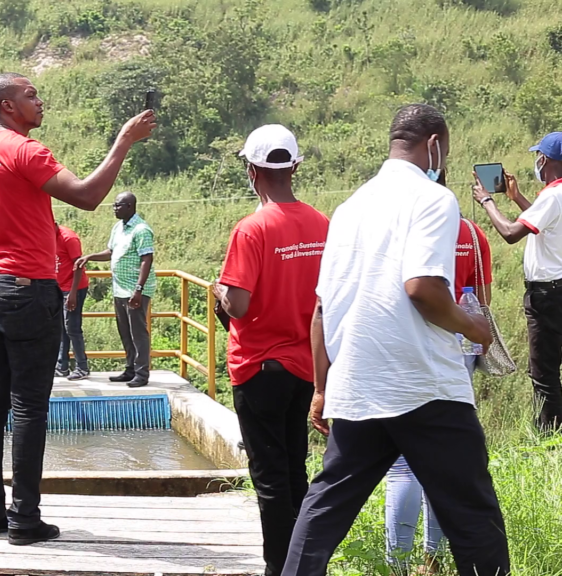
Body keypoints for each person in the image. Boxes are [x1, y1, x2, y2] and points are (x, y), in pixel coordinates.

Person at [282, 104, 508, 576]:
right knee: (473, 519)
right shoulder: (433, 199)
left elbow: (323, 308)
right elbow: (423, 288)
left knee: (323, 510)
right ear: (433, 145)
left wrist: (322, 389)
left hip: (356, 385)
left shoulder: (349, 208)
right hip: (423, 386)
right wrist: (476, 329)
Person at [0, 72, 154, 545]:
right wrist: (124, 140)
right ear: (6, 105)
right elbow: (86, 197)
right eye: (30, 96)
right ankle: (24, 520)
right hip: (27, 290)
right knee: (28, 405)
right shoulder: (26, 150)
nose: (39, 102)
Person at [210, 125, 328, 576]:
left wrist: (221, 290)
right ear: (294, 167)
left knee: (271, 479)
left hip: (259, 367)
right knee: (296, 469)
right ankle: (304, 562)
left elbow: (238, 305)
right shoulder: (322, 224)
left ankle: (280, 568)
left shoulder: (252, 229)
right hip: (305, 367)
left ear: (252, 170)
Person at [385, 175, 494, 575]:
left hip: (406, 353)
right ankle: (433, 557)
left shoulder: (402, 231)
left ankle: (397, 563)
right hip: (457, 355)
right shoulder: (471, 233)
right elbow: (482, 301)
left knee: (402, 466)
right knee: (444, 459)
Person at [472, 131, 562, 433]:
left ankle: (549, 436)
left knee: (544, 373)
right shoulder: (553, 198)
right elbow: (543, 225)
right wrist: (516, 197)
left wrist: (487, 202)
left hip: (547, 295)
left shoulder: (552, 195)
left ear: (546, 160)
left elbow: (511, 233)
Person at [76, 191, 156, 388]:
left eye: (118, 205)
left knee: (138, 332)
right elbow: (111, 252)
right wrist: (90, 257)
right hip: (120, 289)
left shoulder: (141, 230)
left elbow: (147, 259)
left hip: (133, 290)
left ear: (130, 206)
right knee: (125, 331)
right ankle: (130, 369)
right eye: (114, 205)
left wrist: (139, 289)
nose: (114, 208)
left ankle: (141, 373)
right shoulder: (118, 228)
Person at [55, 223, 90, 380]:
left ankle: (82, 367)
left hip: (74, 287)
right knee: (61, 326)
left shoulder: (69, 238)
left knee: (72, 327)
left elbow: (79, 265)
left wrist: (73, 293)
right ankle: (62, 366)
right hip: (58, 287)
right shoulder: (46, 235)